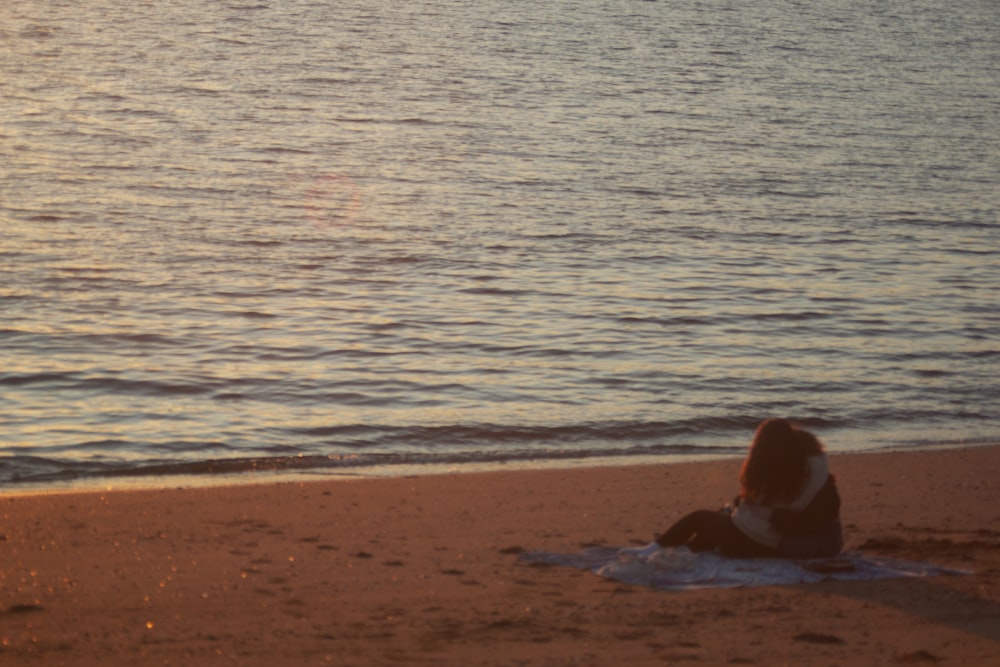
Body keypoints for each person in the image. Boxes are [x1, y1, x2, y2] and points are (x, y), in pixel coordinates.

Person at [656, 418, 843, 559]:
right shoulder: (816, 477)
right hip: (773, 544)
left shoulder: (777, 474)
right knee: (719, 520)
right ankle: (686, 551)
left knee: (698, 518)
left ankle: (657, 547)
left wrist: (753, 512)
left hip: (756, 542)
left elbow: (766, 516)